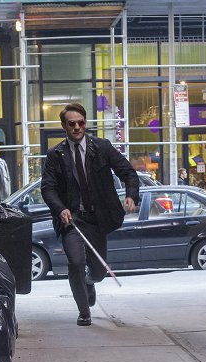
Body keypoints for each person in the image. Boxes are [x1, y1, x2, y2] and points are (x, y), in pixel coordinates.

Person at [41, 103, 139, 326]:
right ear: (64, 126)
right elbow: (48, 187)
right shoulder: (55, 154)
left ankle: (90, 281)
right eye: (72, 124)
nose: (77, 127)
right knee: (75, 261)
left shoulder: (102, 147)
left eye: (81, 123)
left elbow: (128, 172)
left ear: (85, 123)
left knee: (98, 270)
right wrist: (60, 208)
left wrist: (131, 195)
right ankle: (84, 311)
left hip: (97, 219)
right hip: (72, 220)